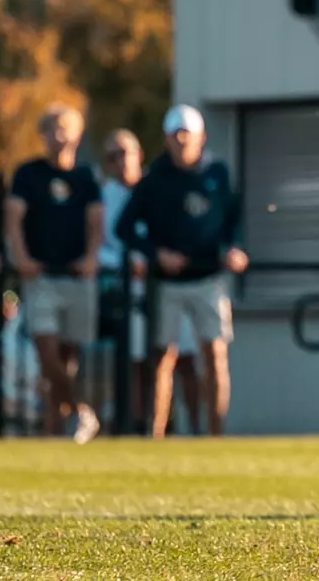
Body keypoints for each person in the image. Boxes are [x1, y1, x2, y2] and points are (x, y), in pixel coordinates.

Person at [116, 104, 248, 438]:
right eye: (175, 136)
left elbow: (235, 218)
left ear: (201, 138)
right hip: (168, 283)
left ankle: (215, 433)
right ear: (167, 138)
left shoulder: (217, 174)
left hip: (209, 279)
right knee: (163, 356)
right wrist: (156, 253)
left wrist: (234, 248)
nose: (181, 142)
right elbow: (125, 227)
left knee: (214, 353)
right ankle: (155, 433)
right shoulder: (155, 179)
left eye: (187, 135)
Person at [5, 104, 104, 442]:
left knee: (67, 359)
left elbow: (96, 222)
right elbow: (14, 219)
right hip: (42, 276)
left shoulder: (86, 177)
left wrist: (91, 257)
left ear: (77, 134)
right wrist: (22, 258)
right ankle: (82, 410)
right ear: (43, 134)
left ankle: (56, 430)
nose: (59, 135)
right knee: (45, 351)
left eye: (65, 128)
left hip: (76, 277)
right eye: (52, 128)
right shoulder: (28, 174)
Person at [99, 129, 201, 436]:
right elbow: (107, 242)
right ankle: (147, 427)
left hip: (170, 284)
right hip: (134, 291)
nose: (121, 161)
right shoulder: (105, 197)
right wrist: (130, 263)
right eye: (113, 156)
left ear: (139, 155)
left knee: (184, 357)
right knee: (142, 361)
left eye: (126, 153)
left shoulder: (156, 185)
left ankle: (197, 428)